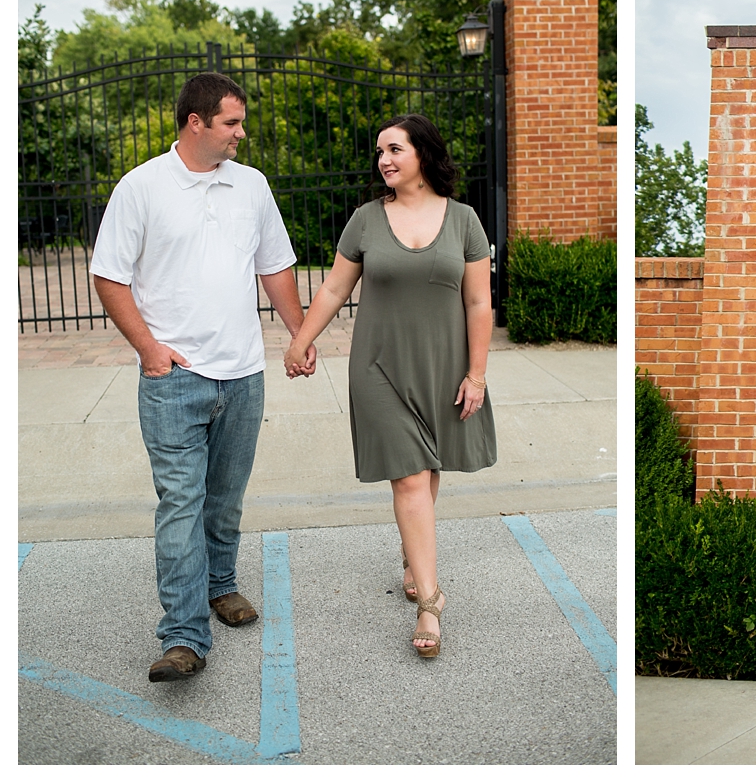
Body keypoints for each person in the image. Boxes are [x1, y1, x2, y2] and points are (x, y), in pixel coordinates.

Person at [91, 73, 312, 682]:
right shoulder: (141, 188)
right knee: (181, 503)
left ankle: (221, 585)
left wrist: (300, 334)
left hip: (243, 374)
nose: (242, 133)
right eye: (232, 123)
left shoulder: (252, 185)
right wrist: (149, 349)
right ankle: (184, 636)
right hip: (174, 379)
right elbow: (109, 275)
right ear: (196, 123)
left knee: (225, 496)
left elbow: (276, 267)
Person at [284, 113, 498, 658]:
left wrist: (477, 374)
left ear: (422, 153)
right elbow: (334, 289)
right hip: (378, 368)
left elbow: (479, 303)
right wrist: (300, 340)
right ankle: (431, 600)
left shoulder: (465, 221)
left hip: (444, 368)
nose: (384, 160)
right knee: (408, 478)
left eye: (395, 149)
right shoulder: (365, 220)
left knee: (427, 474)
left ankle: (412, 555)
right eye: (380, 151)